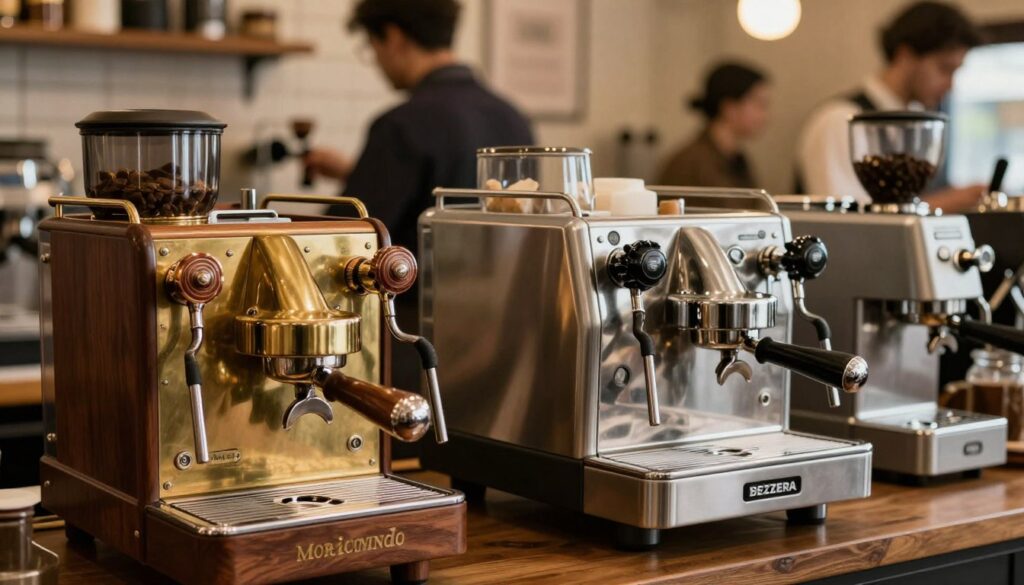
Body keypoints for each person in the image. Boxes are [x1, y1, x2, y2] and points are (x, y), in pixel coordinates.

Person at [304, 0, 534, 252]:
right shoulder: (513, 118)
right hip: (496, 290)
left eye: (372, 46)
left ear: (393, 37)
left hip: (419, 289)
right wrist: (356, 173)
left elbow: (338, 240)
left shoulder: (401, 125)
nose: (377, 61)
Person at [795, 1, 984, 211]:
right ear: (906, 56)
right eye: (944, 68)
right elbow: (843, 220)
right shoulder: (840, 120)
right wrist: (945, 203)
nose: (950, 85)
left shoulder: (918, 126)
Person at [659, 62, 771, 188]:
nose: (764, 116)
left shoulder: (737, 159)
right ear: (730, 107)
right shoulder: (691, 163)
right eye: (760, 105)